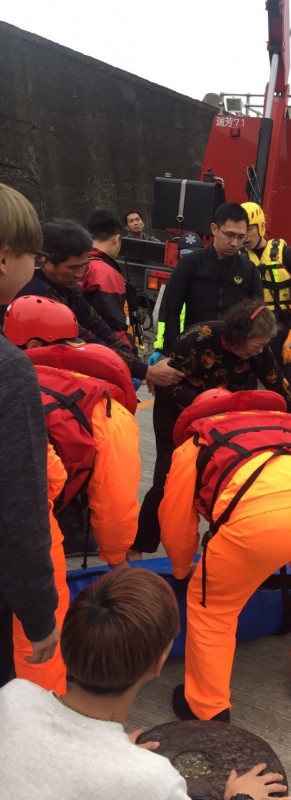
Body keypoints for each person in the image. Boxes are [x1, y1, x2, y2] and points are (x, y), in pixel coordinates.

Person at [0, 568, 291, 800]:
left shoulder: (13, 696)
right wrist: (242, 797)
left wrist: (115, 755)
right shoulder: (154, 782)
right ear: (158, 662)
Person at [160, 387, 291, 721]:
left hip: (258, 522)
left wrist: (181, 566)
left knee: (213, 611)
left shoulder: (197, 442)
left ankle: (206, 706)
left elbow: (175, 517)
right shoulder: (282, 431)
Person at [130, 299, 291, 559]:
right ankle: (139, 545)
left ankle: (216, 545)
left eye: (263, 346)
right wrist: (209, 401)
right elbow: (163, 385)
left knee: (224, 479)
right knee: (168, 481)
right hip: (179, 415)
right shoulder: (198, 339)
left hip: (224, 419)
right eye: (256, 345)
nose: (259, 352)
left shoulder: (259, 351)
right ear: (240, 335)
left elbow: (280, 387)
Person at [4, 293, 141, 569]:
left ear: (30, 344)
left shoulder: (10, 382)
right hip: (31, 529)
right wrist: (116, 560)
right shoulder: (105, 406)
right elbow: (115, 500)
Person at [4, 219, 184, 389]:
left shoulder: (68, 286)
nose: (81, 274)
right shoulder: (35, 294)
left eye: (83, 266)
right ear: (45, 261)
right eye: (74, 268)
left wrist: (141, 369)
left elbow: (100, 328)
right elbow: (85, 338)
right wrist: (145, 371)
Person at [0, 183, 59, 688]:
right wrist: (39, 614)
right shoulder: (9, 370)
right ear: (4, 259)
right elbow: (18, 507)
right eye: (31, 256)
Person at [161, 203, 263, 356]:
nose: (235, 243)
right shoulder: (191, 264)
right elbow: (171, 308)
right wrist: (172, 350)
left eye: (241, 237)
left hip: (233, 353)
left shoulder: (249, 270)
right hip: (194, 348)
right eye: (229, 235)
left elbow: (258, 314)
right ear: (214, 229)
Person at [241, 202, 291, 387]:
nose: (245, 236)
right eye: (241, 230)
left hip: (280, 328)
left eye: (250, 229)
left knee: (286, 385)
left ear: (261, 226)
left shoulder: (285, 252)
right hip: (250, 329)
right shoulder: (238, 257)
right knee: (244, 385)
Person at [149, 231, 204, 364]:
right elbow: (164, 317)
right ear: (179, 255)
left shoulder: (206, 281)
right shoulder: (173, 282)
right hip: (178, 346)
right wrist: (160, 348)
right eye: (185, 255)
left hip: (201, 344)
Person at [81, 208, 130, 343]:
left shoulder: (75, 263)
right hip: (100, 350)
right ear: (116, 240)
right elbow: (115, 326)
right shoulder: (106, 273)